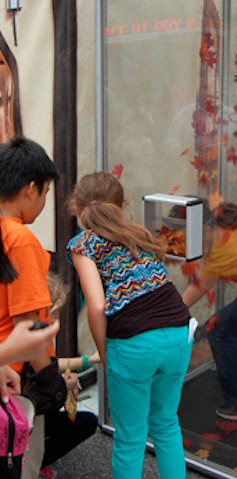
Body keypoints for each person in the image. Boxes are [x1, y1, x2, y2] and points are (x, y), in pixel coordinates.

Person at [66, 171, 195, 479]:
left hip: (135, 343)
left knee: (130, 438)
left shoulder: (83, 243)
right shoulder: (140, 234)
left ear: (76, 207)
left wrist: (104, 353)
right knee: (166, 424)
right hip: (179, 332)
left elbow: (97, 306)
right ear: (122, 205)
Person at [0, 136, 60, 479]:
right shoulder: (20, 237)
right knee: (20, 458)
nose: (43, 202)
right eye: (46, 193)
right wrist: (50, 378)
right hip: (14, 375)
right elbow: (28, 321)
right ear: (30, 188)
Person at [182, 202, 237, 421]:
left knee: (219, 328)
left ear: (204, 229)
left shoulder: (224, 248)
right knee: (228, 327)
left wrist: (166, 314)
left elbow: (200, 286)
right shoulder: (233, 230)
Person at [38, 273, 99, 479]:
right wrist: (64, 387)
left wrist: (87, 360)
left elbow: (51, 365)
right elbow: (43, 395)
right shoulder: (34, 340)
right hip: (25, 414)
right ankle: (36, 459)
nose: (57, 322)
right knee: (86, 422)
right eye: (54, 315)